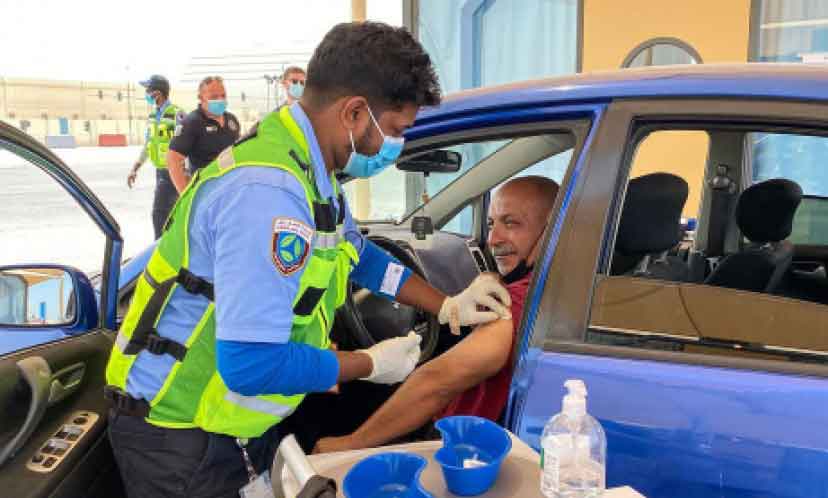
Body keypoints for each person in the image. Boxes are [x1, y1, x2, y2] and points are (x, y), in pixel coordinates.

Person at [104, 22, 511, 498]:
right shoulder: (268, 195)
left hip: (227, 423)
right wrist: (366, 364)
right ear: (356, 113)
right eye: (396, 132)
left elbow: (359, 257)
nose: (393, 149)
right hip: (178, 433)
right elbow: (251, 365)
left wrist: (447, 306)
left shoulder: (308, 168)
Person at [314, 176, 559, 454]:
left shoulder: (515, 304)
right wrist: (453, 302)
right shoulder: (557, 284)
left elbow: (436, 383)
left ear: (552, 229)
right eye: (491, 224)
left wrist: (350, 444)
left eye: (511, 223)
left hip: (457, 447)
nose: (493, 239)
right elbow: (365, 260)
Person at [127, 75, 186, 239]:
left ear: (158, 93)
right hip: (160, 172)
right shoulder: (153, 117)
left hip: (174, 171)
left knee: (159, 214)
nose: (147, 94)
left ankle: (158, 253)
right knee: (168, 216)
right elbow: (148, 145)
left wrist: (185, 172)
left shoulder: (177, 114)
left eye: (148, 91)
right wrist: (135, 168)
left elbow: (189, 143)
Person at [167, 76, 241, 193]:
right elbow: (173, 160)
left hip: (230, 188)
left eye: (223, 95)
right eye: (214, 97)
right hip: (206, 192)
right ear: (201, 98)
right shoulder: (191, 123)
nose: (220, 100)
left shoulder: (232, 120)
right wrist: (185, 194)